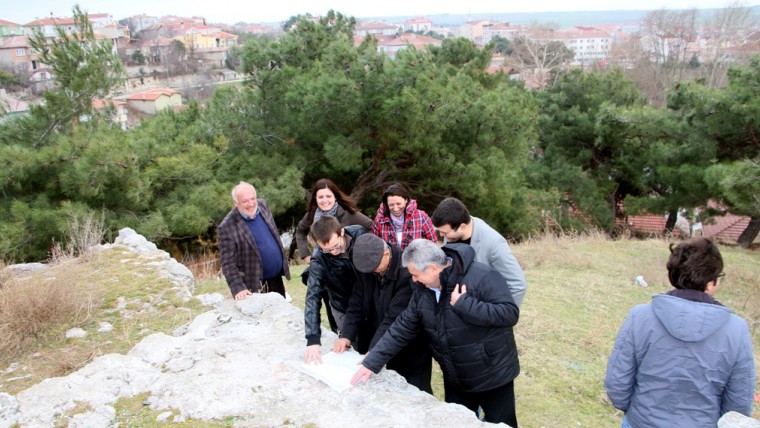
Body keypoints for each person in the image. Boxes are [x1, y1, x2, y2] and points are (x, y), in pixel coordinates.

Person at [351, 239, 520, 426]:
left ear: (432, 269)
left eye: (415, 275)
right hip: (455, 377)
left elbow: (509, 314)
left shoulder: (482, 275)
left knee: (502, 424)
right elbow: (402, 326)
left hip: (492, 376)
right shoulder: (422, 290)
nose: (412, 279)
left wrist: (465, 304)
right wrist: (373, 360)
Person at [604, 238, 755, 428]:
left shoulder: (640, 316)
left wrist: (637, 413)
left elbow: (617, 382)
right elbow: (739, 400)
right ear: (711, 282)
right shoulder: (737, 329)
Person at [333, 233, 433, 393]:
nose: (371, 271)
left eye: (374, 267)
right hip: (382, 338)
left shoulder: (407, 272)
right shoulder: (369, 266)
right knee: (392, 387)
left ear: (386, 254)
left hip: (410, 345)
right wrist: (346, 335)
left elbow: (393, 318)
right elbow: (356, 303)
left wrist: (374, 352)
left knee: (414, 388)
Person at [431, 197, 527, 307]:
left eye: (445, 233)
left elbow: (518, 285)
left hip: (482, 311)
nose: (442, 236)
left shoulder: (494, 244)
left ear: (462, 227)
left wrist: (501, 316)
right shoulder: (452, 230)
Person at [303, 216, 368, 364]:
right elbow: (312, 296)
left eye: (336, 246)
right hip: (342, 305)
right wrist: (313, 338)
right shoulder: (319, 259)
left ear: (342, 232)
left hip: (369, 300)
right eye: (327, 250)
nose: (333, 252)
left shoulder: (360, 235)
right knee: (355, 350)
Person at [217, 181, 290, 300]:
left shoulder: (262, 205)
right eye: (245, 201)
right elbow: (228, 263)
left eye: (253, 198)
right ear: (236, 203)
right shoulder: (226, 227)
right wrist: (238, 288)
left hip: (276, 279)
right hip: (254, 285)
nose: (251, 204)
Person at [295, 178, 373, 264]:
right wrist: (306, 255)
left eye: (328, 196)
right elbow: (300, 232)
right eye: (320, 197)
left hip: (348, 264)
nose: (325, 200)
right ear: (315, 198)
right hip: (324, 262)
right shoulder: (312, 214)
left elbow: (372, 227)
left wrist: (361, 250)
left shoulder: (348, 213)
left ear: (335, 197)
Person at [372, 183, 438, 250]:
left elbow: (432, 243)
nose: (395, 208)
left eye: (398, 204)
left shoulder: (421, 217)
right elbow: (375, 247)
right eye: (391, 205)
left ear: (406, 200)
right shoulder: (379, 220)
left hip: (416, 259)